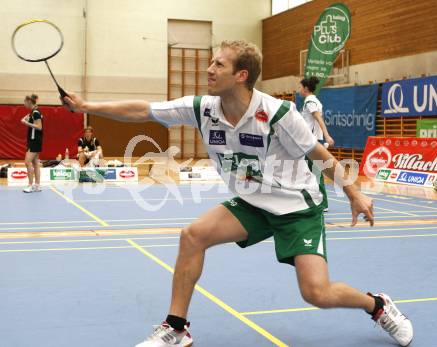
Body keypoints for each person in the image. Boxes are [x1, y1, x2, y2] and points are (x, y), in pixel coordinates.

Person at [62, 40, 413, 347]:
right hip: (252, 203)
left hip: (297, 207)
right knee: (192, 236)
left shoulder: (277, 113)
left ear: (241, 75)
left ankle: (378, 305)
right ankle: (176, 328)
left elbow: (319, 155)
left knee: (316, 293)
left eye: (219, 64)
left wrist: (353, 193)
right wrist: (87, 106)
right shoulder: (204, 108)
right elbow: (144, 110)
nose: (209, 69)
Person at [299, 76, 335, 212]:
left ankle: (322, 203)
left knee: (315, 173)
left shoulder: (310, 101)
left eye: (301, 87)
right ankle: (313, 201)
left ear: (306, 88)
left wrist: (327, 136)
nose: (299, 90)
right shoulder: (313, 100)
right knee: (310, 172)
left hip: (312, 142)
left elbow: (318, 119)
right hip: (311, 141)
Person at [21, 94, 43, 193]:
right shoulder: (34, 112)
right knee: (35, 163)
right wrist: (26, 119)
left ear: (29, 102)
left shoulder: (35, 112)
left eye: (25, 102)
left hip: (34, 141)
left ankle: (30, 185)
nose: (24, 104)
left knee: (27, 162)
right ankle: (37, 185)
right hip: (35, 140)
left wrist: (26, 123)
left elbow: (39, 127)